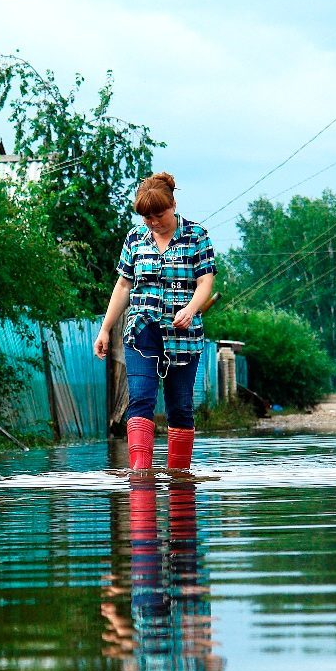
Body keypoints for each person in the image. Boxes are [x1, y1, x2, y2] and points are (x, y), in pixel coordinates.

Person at [93, 172, 217, 470]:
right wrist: (105, 329)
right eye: (146, 217)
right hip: (142, 331)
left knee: (180, 407)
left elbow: (205, 282)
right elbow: (123, 285)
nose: (153, 222)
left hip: (183, 335)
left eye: (158, 215)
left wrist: (191, 308)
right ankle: (140, 478)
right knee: (141, 400)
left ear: (173, 204)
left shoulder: (196, 236)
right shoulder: (135, 239)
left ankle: (179, 479)